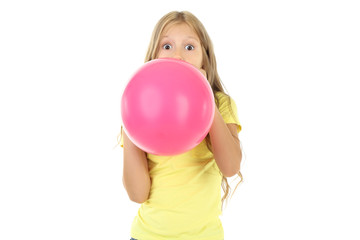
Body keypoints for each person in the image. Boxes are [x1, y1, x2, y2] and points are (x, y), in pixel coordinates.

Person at [118, 10, 243, 240]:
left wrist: (206, 99)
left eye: (189, 47)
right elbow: (137, 194)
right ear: (153, 55)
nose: (177, 55)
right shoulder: (141, 109)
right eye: (167, 46)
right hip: (147, 236)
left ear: (205, 57)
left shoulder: (221, 103)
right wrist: (130, 121)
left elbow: (231, 167)